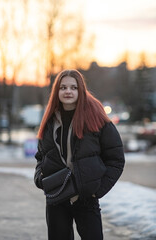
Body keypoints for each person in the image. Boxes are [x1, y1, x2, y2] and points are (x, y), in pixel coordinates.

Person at [34, 69, 125, 240]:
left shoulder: (97, 119)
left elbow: (116, 160)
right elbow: (41, 156)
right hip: (56, 196)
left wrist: (96, 190)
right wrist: (40, 177)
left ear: (80, 90)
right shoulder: (49, 121)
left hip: (86, 198)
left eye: (73, 87)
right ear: (57, 91)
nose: (68, 91)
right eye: (63, 87)